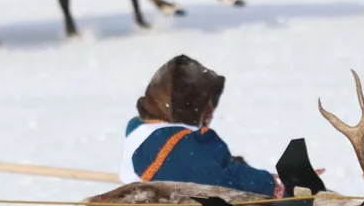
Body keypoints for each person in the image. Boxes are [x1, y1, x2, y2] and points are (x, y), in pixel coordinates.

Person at [119, 54, 284, 196]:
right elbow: (219, 180)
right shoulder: (172, 143)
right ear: (188, 107)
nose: (211, 113)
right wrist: (271, 184)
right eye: (207, 106)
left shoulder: (141, 132)